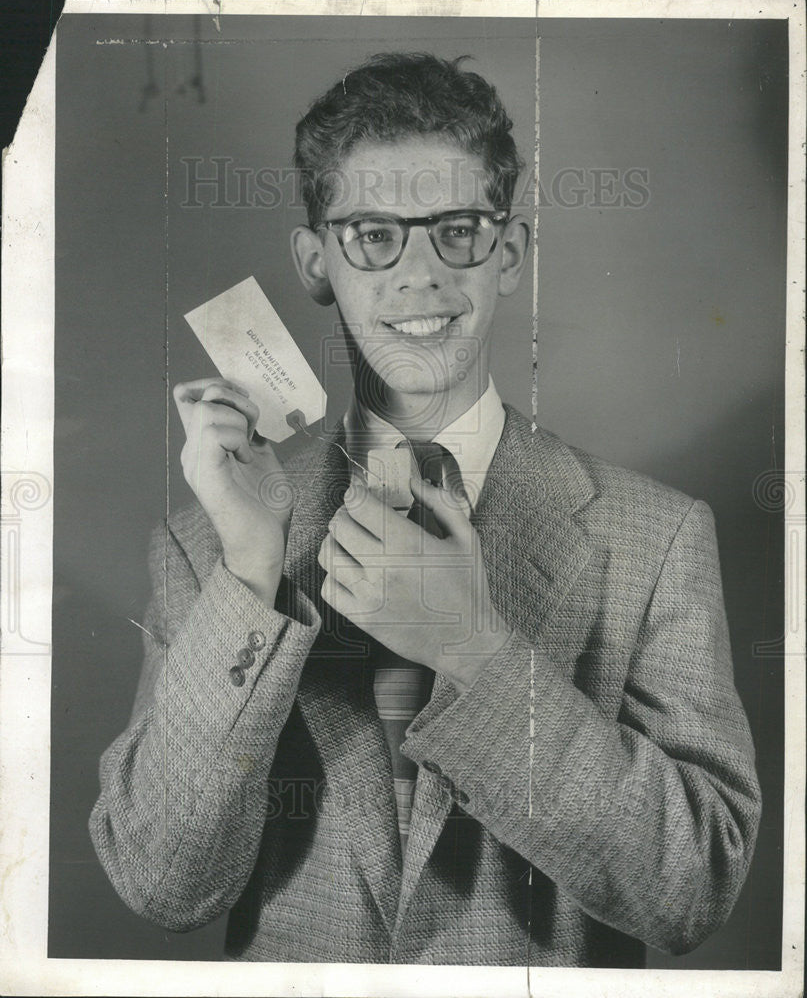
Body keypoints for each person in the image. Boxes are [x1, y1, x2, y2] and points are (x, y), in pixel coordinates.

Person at [89, 52, 761, 966]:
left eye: (456, 231)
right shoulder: (206, 541)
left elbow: (692, 890)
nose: (420, 275)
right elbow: (163, 885)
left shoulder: (658, 537)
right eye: (372, 234)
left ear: (510, 253)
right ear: (315, 260)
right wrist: (251, 572)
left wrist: (473, 649)